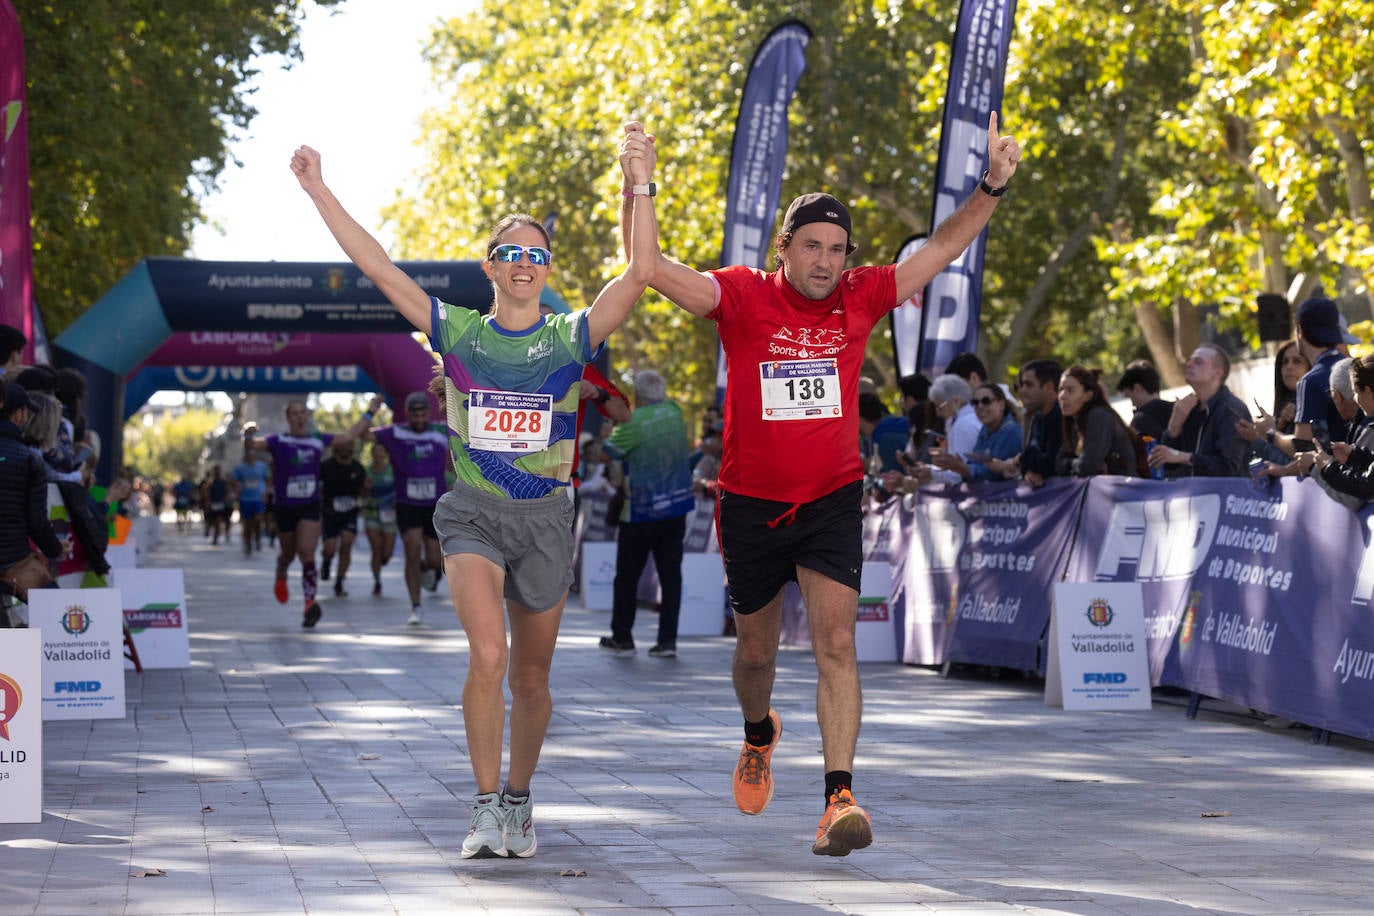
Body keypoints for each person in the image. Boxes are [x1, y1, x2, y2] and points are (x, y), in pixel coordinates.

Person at [619, 113, 1020, 855]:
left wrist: (992, 183)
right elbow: (645, 269)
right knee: (757, 657)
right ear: (784, 247)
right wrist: (637, 182)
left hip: (832, 495)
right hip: (750, 503)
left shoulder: (863, 296)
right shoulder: (741, 296)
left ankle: (839, 799)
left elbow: (942, 246)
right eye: (813, 245)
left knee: (837, 641)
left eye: (838, 249)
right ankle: (757, 730)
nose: (827, 261)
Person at [291, 121, 659, 860]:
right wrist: (317, 190)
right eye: (510, 253)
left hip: (547, 520)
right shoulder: (456, 334)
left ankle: (520, 801)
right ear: (489, 265)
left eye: (536, 254)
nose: (524, 263)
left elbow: (641, 271)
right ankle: (487, 805)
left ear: (547, 267)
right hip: (471, 517)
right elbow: (380, 269)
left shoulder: (571, 337)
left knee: (530, 676)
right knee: (487, 655)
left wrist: (639, 180)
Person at [596, 369, 694, 658]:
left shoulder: (632, 422)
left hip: (641, 511)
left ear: (637, 395)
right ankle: (667, 642)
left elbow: (605, 455)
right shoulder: (675, 412)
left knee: (627, 576)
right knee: (671, 576)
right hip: (676, 506)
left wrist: (610, 432)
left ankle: (623, 636)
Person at [243, 403, 361, 629]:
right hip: (285, 508)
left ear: (307, 416)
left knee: (307, 553)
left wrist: (371, 411)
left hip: (310, 505)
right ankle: (282, 568)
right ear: (287, 417)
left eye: (302, 413)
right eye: (294, 413)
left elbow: (348, 436)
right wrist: (247, 433)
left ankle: (309, 604)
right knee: (288, 554)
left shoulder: (317, 439)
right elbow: (252, 446)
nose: (299, 417)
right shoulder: (278, 441)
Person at [358, 391, 449, 624]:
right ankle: (415, 606)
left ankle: (425, 568)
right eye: (414, 415)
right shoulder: (395, 433)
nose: (419, 419)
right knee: (410, 548)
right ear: (407, 414)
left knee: (432, 559)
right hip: (407, 503)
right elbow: (361, 435)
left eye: (423, 414)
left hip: (434, 504)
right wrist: (371, 410)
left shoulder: (440, 431)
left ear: (429, 413)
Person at [0, 383, 64, 626]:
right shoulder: (28, 459)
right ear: (18, 414)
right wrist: (55, 549)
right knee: (58, 619)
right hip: (15, 565)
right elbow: (37, 522)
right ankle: (22, 664)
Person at [1149, 344, 1250, 477]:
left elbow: (1229, 467)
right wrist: (1173, 428)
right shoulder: (1189, 409)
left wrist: (1183, 457)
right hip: (1195, 495)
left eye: (1198, 362)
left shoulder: (1231, 409)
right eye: (1190, 361)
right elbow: (1167, 464)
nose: (1189, 364)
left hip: (1226, 496)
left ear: (1217, 372)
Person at [1055, 366, 1144, 477]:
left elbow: (1086, 467)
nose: (1062, 396)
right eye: (1060, 389)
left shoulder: (1098, 416)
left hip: (1124, 489)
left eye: (1070, 390)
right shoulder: (1075, 420)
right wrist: (1074, 463)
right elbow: (1058, 462)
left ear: (1088, 395)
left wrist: (1072, 463)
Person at [928, 382, 1022, 482]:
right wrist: (956, 464)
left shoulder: (1013, 433)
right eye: (975, 403)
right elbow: (975, 465)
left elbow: (995, 475)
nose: (980, 406)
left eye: (986, 401)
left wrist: (963, 468)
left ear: (1001, 404)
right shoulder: (984, 431)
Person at [319, 438, 366, 598]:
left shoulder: (358, 468)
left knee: (346, 543)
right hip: (330, 513)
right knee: (330, 548)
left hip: (350, 512)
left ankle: (339, 581)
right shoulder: (326, 466)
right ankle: (326, 561)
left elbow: (363, 490)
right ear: (335, 448)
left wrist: (366, 493)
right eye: (343, 445)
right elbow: (318, 488)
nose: (346, 447)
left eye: (349, 444)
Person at [1014, 359, 1063, 487]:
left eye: (1028, 385)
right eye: (1021, 385)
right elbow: (1029, 459)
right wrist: (1028, 473)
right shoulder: (1037, 418)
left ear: (1048, 387)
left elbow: (1053, 463)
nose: (1022, 391)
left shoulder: (1065, 417)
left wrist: (1022, 459)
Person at [361, 442, 398, 597]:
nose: (378, 454)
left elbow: (400, 490)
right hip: (372, 514)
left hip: (389, 515)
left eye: (381, 451)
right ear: (372, 454)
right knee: (376, 549)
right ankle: (377, 582)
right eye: (375, 451)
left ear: (386, 454)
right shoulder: (367, 472)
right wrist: (365, 488)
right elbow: (361, 494)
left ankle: (383, 561)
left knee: (386, 555)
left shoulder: (393, 470)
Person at [1115, 360, 1174, 442]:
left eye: (1129, 396)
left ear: (1138, 388)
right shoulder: (1177, 409)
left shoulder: (1140, 421)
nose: (1132, 404)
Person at [232, 447, 270, 555]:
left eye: (252, 455)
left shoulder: (262, 467)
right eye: (248, 455)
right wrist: (237, 487)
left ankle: (257, 537)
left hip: (258, 499)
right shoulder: (241, 468)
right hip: (245, 499)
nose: (250, 457)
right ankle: (247, 542)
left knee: (258, 520)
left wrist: (266, 493)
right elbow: (232, 478)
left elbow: (268, 479)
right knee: (247, 524)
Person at [204, 464, 231, 546]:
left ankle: (216, 537)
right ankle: (210, 531)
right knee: (212, 521)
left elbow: (227, 492)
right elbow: (206, 492)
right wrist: (208, 501)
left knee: (219, 521)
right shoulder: (210, 482)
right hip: (212, 504)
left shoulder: (224, 482)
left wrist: (226, 500)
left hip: (221, 504)